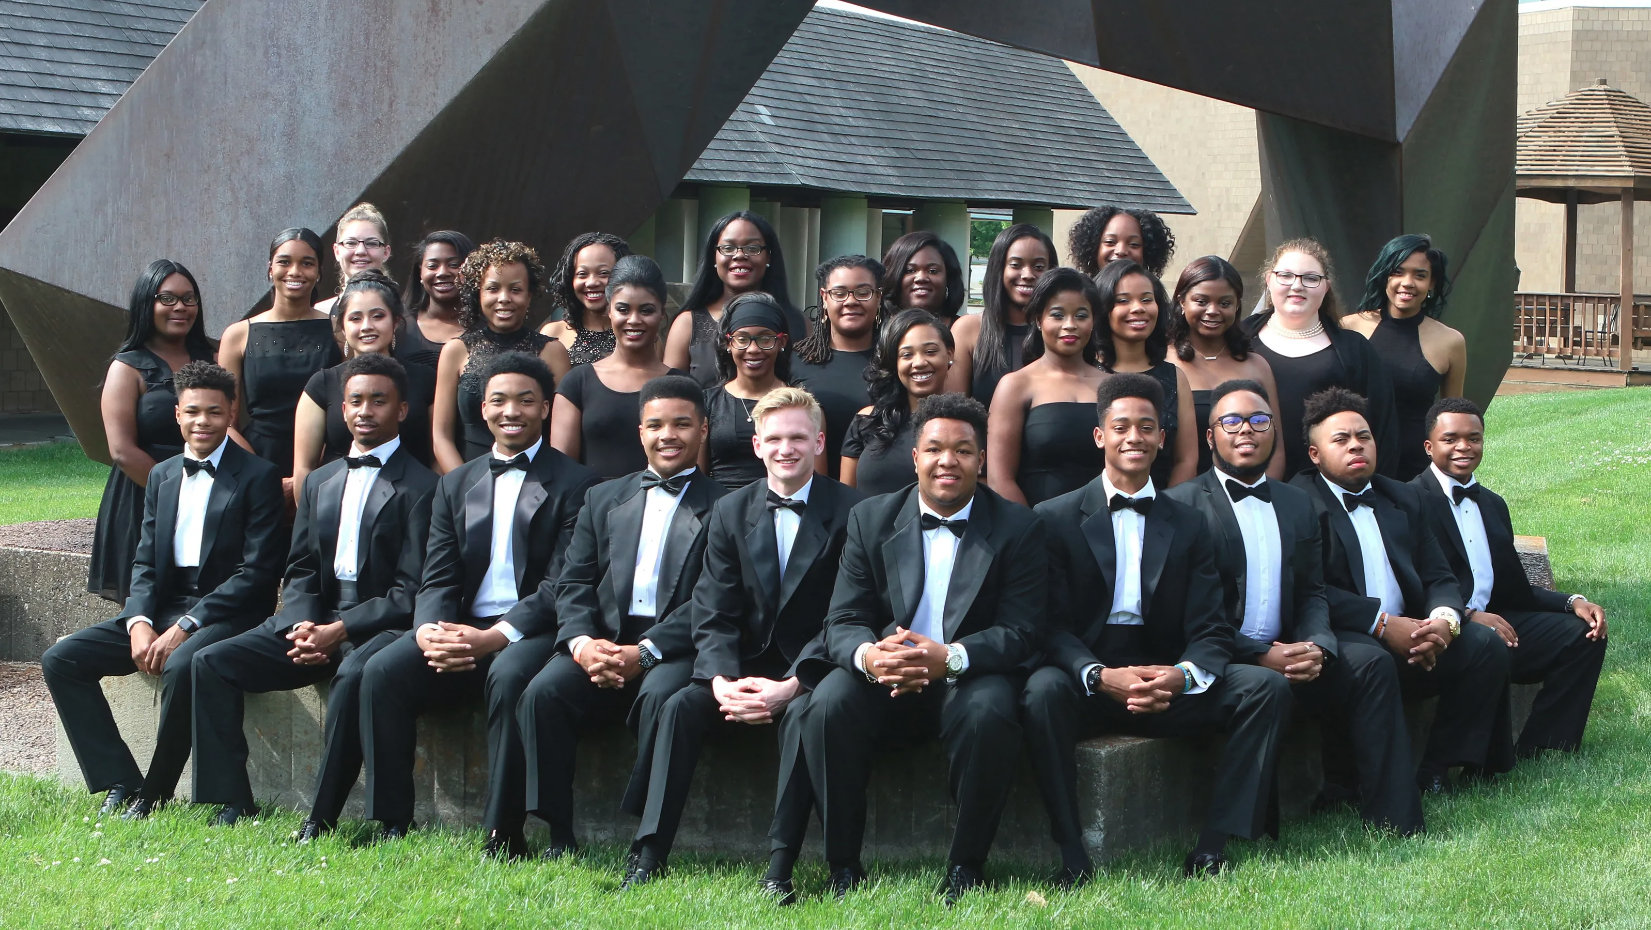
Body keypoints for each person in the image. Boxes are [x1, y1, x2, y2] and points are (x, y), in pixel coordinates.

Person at [1024, 373, 1288, 885]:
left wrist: (1181, 677)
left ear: (1162, 439)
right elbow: (1047, 627)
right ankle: (1071, 852)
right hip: (1090, 679)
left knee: (1265, 687)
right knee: (1041, 693)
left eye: (1147, 427)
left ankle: (1214, 843)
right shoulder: (1052, 518)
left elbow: (1212, 627)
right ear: (1100, 436)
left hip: (1166, 676)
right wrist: (1100, 675)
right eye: (1121, 426)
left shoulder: (1190, 523)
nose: (1134, 437)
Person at [798, 393, 1046, 906]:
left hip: (968, 674)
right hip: (885, 670)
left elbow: (1022, 631)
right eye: (934, 449)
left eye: (962, 450)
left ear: (981, 459)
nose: (947, 461)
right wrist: (872, 657)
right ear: (915, 458)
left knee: (990, 711)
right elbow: (842, 619)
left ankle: (965, 867)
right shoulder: (870, 519)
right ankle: (842, 866)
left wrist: (950, 658)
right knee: (825, 705)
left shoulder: (1020, 527)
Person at [360, 351, 599, 855]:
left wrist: (495, 637)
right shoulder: (455, 483)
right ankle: (392, 821)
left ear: (547, 408)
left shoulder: (579, 485)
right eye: (499, 401)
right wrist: (429, 629)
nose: (511, 410)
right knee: (383, 670)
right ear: (483, 410)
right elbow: (438, 575)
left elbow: (562, 583)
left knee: (510, 675)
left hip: (531, 629)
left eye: (525, 400)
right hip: (462, 624)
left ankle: (503, 832)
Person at [627, 387, 859, 901]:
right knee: (679, 705)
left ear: (820, 442)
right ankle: (648, 854)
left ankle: (780, 868)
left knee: (805, 717)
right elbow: (712, 608)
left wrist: (793, 685)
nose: (786, 449)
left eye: (798, 437)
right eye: (774, 438)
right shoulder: (731, 511)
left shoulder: (854, 512)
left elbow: (848, 614)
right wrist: (721, 681)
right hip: (741, 665)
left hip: (813, 668)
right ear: (756, 445)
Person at [191, 354, 437, 833]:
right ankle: (234, 801)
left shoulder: (426, 488)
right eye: (354, 401)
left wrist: (339, 630)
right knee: (211, 662)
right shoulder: (320, 479)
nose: (365, 411)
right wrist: (302, 622)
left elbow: (412, 590)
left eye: (378, 401)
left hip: (380, 625)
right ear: (341, 410)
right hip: (315, 617)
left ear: (402, 410)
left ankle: (322, 818)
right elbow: (300, 566)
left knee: (353, 676)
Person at [1164, 380, 1423, 835]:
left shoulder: (1298, 503)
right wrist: (1259, 654)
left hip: (1295, 651)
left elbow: (1312, 592)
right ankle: (1245, 833)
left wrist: (1318, 645)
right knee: (1268, 685)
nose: (1246, 430)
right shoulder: (1181, 507)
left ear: (1274, 434)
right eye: (1231, 421)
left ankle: (1394, 818)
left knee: (1369, 662)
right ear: (1210, 437)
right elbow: (1185, 614)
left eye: (1259, 420)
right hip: (1223, 660)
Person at [43, 362, 283, 820]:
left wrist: (186, 626)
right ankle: (120, 778)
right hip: (165, 606)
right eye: (193, 411)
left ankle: (157, 792)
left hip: (227, 611)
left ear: (231, 413)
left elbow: (256, 572)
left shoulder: (259, 476)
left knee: (184, 664)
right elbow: (145, 561)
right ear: (177, 414)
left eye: (214, 412)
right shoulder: (163, 475)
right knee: (63, 659)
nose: (203, 422)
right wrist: (138, 621)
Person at [518, 375, 724, 868]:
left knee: (662, 696)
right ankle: (559, 830)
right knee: (542, 694)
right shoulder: (602, 498)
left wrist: (646, 651)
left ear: (703, 431)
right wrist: (582, 643)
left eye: (681, 424)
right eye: (655, 425)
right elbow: (574, 582)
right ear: (640, 433)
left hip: (676, 646)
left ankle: (648, 846)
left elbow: (713, 597)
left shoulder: (726, 505)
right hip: (603, 639)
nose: (667, 435)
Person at [1290, 387, 1513, 794]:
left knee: (1485, 645)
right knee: (1370, 657)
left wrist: (1444, 621)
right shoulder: (1297, 504)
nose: (1356, 445)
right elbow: (1311, 589)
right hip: (1348, 638)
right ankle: (1356, 786)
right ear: (1314, 455)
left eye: (1364, 436)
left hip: (1414, 633)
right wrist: (1381, 624)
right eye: (1341, 440)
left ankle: (1437, 767)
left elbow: (1438, 575)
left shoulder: (1403, 496)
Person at [1410, 397, 1607, 756]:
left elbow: (1514, 588)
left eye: (1474, 438)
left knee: (1583, 634)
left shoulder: (1493, 504)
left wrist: (1572, 601)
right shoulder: (1408, 500)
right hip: (1441, 628)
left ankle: (1545, 745)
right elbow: (1408, 584)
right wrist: (1466, 616)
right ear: (1429, 446)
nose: (1464, 447)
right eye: (1451, 438)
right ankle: (1459, 763)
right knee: (1487, 642)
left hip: (1500, 618)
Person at [90, 260, 219, 603]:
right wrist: (177, 495)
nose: (180, 307)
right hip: (145, 496)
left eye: (189, 299)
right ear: (147, 304)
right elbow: (121, 450)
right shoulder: (127, 365)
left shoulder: (214, 356)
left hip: (213, 492)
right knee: (143, 611)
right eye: (168, 298)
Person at [1242, 238, 1398, 479]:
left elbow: (1382, 427)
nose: (1297, 286)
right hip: (1251, 485)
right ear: (1269, 280)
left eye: (1311, 278)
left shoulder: (1355, 351)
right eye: (1286, 276)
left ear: (1326, 287)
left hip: (1332, 492)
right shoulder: (1238, 342)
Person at [292, 270, 438, 493]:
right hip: (336, 503)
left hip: (414, 504)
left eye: (378, 316)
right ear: (342, 326)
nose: (366, 326)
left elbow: (436, 455)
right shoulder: (322, 384)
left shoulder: (426, 378)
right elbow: (304, 469)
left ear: (396, 321)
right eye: (355, 318)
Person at [219, 228, 343, 487]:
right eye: (285, 262)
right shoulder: (237, 335)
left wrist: (304, 474)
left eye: (306, 263)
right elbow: (225, 420)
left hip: (324, 464)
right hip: (252, 464)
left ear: (319, 271)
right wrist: (261, 475)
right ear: (269, 268)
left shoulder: (338, 331)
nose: (295, 271)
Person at [431, 239, 570, 471]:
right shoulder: (455, 351)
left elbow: (561, 435)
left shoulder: (553, 352)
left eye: (515, 289)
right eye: (493, 288)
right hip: (467, 486)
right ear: (478, 293)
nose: (504, 298)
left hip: (537, 482)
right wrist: (463, 487)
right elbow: (441, 437)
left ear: (529, 295)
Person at [1342, 235, 1468, 481]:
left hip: (1416, 470)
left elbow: (1453, 419)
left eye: (1420, 275)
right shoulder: (1349, 327)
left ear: (1432, 284)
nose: (1407, 283)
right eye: (1397, 272)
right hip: (1353, 462)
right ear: (1385, 276)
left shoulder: (1451, 342)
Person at [550, 255, 685, 479]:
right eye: (623, 309)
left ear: (662, 313)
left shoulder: (681, 386)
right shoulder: (577, 383)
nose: (633, 320)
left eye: (646, 310)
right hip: (590, 510)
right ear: (609, 311)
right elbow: (562, 473)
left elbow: (693, 473)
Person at [987, 267, 1108, 506]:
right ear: (1038, 320)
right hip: (1034, 529)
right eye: (1058, 315)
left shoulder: (1111, 386)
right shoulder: (1015, 385)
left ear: (1093, 321)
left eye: (1081, 315)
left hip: (1105, 529)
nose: (1070, 324)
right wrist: (1032, 531)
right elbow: (999, 478)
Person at [1165, 256, 1283, 477]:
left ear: (1237, 305)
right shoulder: (1163, 362)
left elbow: (1275, 450)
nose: (1213, 310)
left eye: (1224, 303)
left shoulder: (1257, 366)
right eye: (1201, 301)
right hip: (1179, 496)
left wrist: (1262, 498)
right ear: (1182, 301)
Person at [665, 211, 808, 388]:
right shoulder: (687, 324)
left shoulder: (798, 323)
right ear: (714, 257)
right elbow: (670, 397)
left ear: (768, 256)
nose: (740, 255)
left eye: (752, 248)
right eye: (728, 248)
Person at [1094, 260, 1197, 488]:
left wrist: (1166, 509)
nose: (1138, 307)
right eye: (1123, 300)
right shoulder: (1087, 373)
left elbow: (1186, 460)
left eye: (1147, 299)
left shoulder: (1175, 377)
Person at [840, 309, 954, 495]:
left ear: (949, 354)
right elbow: (845, 500)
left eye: (930, 351)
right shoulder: (866, 420)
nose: (919, 362)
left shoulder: (966, 424)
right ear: (894, 362)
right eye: (907, 355)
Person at [793, 255, 883, 478]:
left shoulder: (896, 361)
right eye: (839, 293)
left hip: (880, 496)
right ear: (824, 297)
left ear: (879, 297)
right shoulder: (794, 359)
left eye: (863, 292)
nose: (851, 301)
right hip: (812, 495)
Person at [951, 223, 1055, 407]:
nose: (1028, 274)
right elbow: (953, 412)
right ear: (998, 268)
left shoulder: (1060, 331)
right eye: (1016, 265)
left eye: (1039, 266)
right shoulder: (968, 329)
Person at [699, 293, 795, 491]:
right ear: (728, 343)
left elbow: (815, 479)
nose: (753, 349)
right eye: (741, 339)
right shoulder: (707, 403)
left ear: (782, 342)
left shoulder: (800, 404)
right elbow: (696, 478)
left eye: (765, 338)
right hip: (719, 513)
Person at [538, 231, 632, 367]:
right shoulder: (553, 334)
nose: (592, 282)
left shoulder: (638, 333)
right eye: (582, 274)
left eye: (604, 273)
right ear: (570, 279)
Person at [396, 230, 474, 368]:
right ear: (420, 271)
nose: (442, 272)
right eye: (433, 266)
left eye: (454, 265)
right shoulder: (399, 326)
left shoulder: (489, 329)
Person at [315, 202, 392, 315]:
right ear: (337, 251)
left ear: (386, 252)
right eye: (351, 243)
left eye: (371, 243)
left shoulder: (402, 315)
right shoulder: (320, 314)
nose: (360, 251)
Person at [879, 231, 965, 330]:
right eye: (910, 270)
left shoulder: (965, 332)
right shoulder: (874, 331)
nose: (921, 278)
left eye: (932, 271)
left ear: (948, 278)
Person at [1067, 205, 1177, 277]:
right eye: (1110, 242)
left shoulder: (1155, 300)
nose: (1121, 251)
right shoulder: (1082, 297)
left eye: (1134, 244)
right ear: (1094, 247)